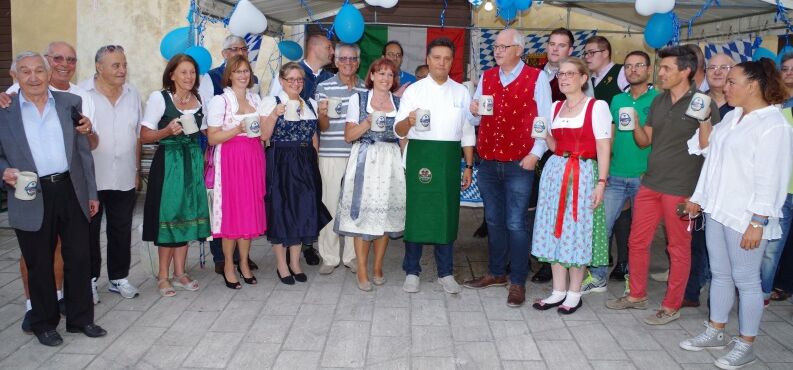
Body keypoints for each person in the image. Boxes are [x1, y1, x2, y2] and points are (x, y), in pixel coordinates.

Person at [680, 58, 793, 370]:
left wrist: (759, 220)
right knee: (721, 274)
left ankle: (747, 344)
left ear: (753, 86)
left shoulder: (774, 124)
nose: (725, 86)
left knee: (746, 280)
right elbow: (710, 156)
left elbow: (772, 178)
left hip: (746, 215)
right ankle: (716, 330)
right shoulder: (734, 118)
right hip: (718, 209)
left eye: (732, 82)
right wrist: (698, 197)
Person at [606, 46, 721, 325]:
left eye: (667, 68)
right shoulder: (659, 101)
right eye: (661, 67)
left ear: (686, 71)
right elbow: (646, 141)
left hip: (681, 186)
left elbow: (710, 149)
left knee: (677, 248)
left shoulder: (702, 102)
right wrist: (634, 124)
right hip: (651, 181)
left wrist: (705, 121)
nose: (661, 73)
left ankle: (671, 306)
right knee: (637, 241)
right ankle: (637, 295)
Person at [0, 51, 106, 346]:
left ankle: (81, 319)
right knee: (39, 262)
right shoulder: (4, 110)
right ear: (15, 77)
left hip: (70, 190)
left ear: (49, 74)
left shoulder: (69, 103)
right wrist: (3, 171)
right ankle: (43, 323)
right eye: (25, 71)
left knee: (79, 258)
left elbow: (83, 152)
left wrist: (92, 193)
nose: (33, 77)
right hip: (29, 192)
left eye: (38, 70)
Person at [462, 29, 552, 307]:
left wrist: (536, 154)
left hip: (519, 162)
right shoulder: (488, 77)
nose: (497, 51)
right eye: (496, 46)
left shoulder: (538, 79)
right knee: (493, 221)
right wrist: (473, 110)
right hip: (489, 161)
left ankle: (517, 280)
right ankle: (496, 272)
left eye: (503, 46)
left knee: (515, 222)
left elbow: (544, 121)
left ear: (518, 50)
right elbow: (474, 120)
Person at [394, 37, 476, 294]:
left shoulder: (461, 91)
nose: (442, 62)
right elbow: (398, 130)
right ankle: (411, 270)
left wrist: (468, 166)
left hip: (449, 158)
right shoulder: (414, 90)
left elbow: (467, 131)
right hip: (420, 155)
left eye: (447, 58)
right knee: (417, 213)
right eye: (437, 57)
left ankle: (446, 272)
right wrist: (408, 121)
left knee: (447, 213)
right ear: (428, 60)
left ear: (452, 62)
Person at [529, 57, 611, 314]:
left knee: (578, 232)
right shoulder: (554, 108)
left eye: (570, 74)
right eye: (561, 75)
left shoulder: (596, 107)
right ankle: (558, 290)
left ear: (584, 78)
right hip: (555, 173)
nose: (563, 79)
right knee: (555, 230)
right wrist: (543, 134)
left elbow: (604, 147)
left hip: (584, 173)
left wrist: (601, 183)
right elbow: (555, 147)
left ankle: (574, 293)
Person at [581, 51, 657, 294]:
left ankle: (633, 281)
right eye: (628, 66)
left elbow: (647, 142)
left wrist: (635, 122)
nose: (633, 70)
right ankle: (598, 277)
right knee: (601, 227)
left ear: (649, 70)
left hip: (644, 176)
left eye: (639, 65)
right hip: (614, 174)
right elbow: (609, 137)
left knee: (639, 234)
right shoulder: (616, 100)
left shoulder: (658, 100)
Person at [140, 54, 210, 297]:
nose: (189, 77)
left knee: (187, 216)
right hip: (169, 163)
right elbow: (145, 135)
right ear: (172, 74)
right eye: (183, 72)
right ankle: (163, 275)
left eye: (192, 72)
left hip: (192, 163)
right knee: (168, 217)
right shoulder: (159, 99)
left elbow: (205, 132)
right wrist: (166, 131)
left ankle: (180, 272)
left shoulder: (199, 100)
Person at [335, 57, 405, 291]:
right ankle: (362, 270)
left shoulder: (399, 102)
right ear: (372, 76)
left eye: (390, 75)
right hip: (366, 160)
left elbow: (403, 137)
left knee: (384, 217)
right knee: (363, 218)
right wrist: (367, 122)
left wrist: (406, 164)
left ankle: (377, 266)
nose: (386, 78)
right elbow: (348, 136)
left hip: (391, 162)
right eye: (381, 73)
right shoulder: (359, 99)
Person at [261, 62, 332, 285]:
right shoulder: (271, 102)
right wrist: (274, 114)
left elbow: (313, 136)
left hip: (305, 161)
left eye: (299, 79)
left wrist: (315, 159)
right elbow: (263, 136)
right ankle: (281, 265)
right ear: (281, 81)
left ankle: (295, 262)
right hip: (281, 159)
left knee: (303, 209)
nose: (296, 83)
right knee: (281, 210)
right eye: (291, 79)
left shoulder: (308, 103)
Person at [81, 44, 141, 301]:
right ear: (99, 67)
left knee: (121, 228)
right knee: (89, 232)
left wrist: (137, 170)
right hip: (92, 176)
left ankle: (118, 278)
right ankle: (90, 280)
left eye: (124, 64)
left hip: (125, 174)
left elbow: (137, 135)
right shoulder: (82, 93)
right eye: (116, 65)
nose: (122, 70)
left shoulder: (133, 93)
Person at [206, 55, 269, 289]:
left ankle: (244, 262)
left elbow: (263, 134)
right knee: (232, 213)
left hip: (253, 158)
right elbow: (213, 137)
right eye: (238, 71)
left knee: (248, 211)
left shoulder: (255, 98)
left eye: (246, 71)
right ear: (229, 75)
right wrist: (237, 128)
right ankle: (229, 266)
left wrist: (270, 118)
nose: (243, 75)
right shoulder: (220, 101)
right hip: (231, 160)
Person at [682, 53, 736, 308]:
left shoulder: (740, 110)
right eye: (711, 67)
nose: (717, 72)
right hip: (696, 181)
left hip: (729, 188)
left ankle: (720, 301)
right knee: (696, 241)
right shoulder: (696, 103)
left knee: (724, 250)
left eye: (723, 67)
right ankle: (692, 293)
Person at [532, 27, 581, 283]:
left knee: (562, 210)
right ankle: (544, 256)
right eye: (551, 44)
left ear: (570, 50)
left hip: (565, 153)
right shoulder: (538, 75)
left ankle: (555, 263)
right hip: (540, 146)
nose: (554, 49)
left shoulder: (578, 79)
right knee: (542, 208)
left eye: (561, 45)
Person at [315, 43, 367, 275]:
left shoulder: (366, 88)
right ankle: (329, 256)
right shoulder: (323, 86)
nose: (348, 62)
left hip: (358, 155)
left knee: (355, 207)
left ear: (358, 61)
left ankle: (352, 256)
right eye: (343, 59)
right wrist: (322, 116)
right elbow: (322, 127)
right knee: (330, 204)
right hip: (331, 155)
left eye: (353, 58)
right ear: (335, 61)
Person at [268, 34, 334, 104]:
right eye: (329, 47)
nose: (333, 52)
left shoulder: (332, 78)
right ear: (315, 48)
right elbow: (272, 104)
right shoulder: (287, 73)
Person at [583, 36, 629, 105]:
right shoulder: (589, 79)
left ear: (605, 53)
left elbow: (635, 99)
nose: (586, 57)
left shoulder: (621, 71)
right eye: (585, 53)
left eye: (591, 52)